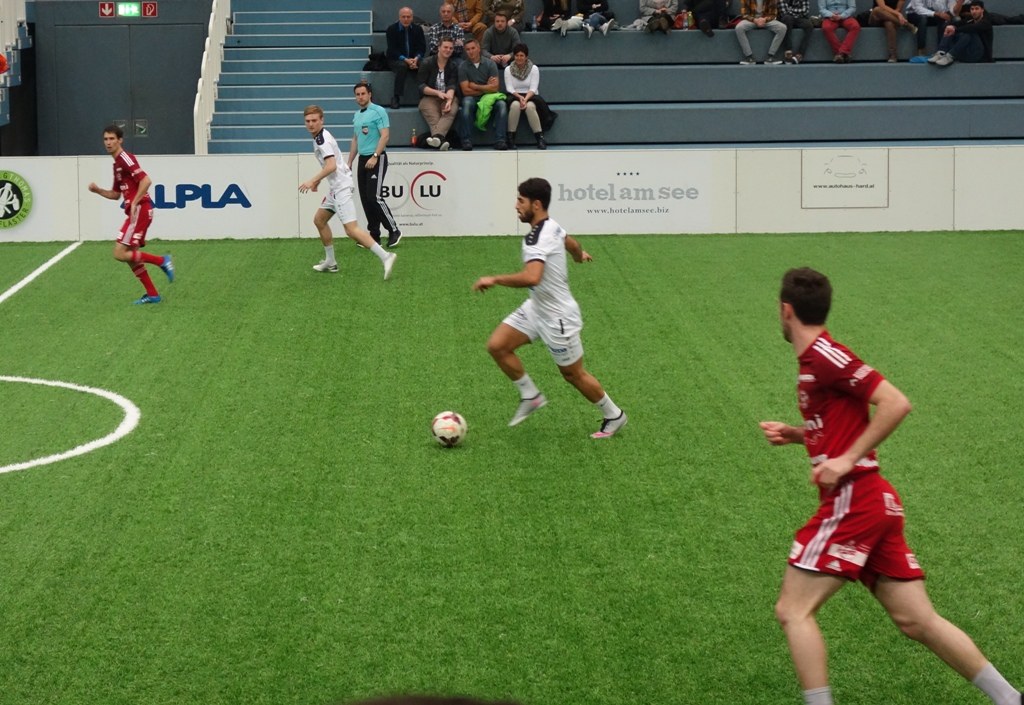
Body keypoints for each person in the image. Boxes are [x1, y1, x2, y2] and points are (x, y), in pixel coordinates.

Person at [761, 267, 1022, 705]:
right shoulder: (815, 362)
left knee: (793, 610)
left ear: (786, 310)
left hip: (855, 500)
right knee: (917, 620)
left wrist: (846, 460)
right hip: (875, 503)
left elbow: (895, 402)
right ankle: (1010, 699)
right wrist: (796, 434)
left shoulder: (826, 356)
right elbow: (837, 426)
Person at [472, 177, 627, 439]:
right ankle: (530, 395)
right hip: (536, 308)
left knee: (573, 374)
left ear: (536, 204)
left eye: (520, 201)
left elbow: (532, 277)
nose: (516, 206)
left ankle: (614, 415)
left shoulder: (536, 239)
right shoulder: (551, 225)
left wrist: (495, 279)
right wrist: (579, 256)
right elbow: (570, 242)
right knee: (497, 346)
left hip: (558, 318)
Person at [298, 105, 397, 279]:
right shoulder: (320, 136)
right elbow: (332, 165)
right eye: (308, 121)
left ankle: (386, 257)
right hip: (336, 187)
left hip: (341, 188)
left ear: (322, 120)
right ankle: (331, 262)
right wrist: (319, 181)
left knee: (352, 230)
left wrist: (312, 180)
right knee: (319, 220)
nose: (311, 124)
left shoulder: (322, 140)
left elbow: (331, 166)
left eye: (314, 120)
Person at [87, 124, 174, 305]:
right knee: (129, 256)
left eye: (112, 139)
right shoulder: (117, 165)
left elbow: (146, 181)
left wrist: (134, 202)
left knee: (119, 253)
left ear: (120, 140)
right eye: (106, 139)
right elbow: (115, 195)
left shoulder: (126, 158)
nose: (108, 142)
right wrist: (97, 190)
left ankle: (162, 261)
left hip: (140, 210)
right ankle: (153, 294)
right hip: (136, 212)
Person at [348, 81, 402, 248]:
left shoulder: (378, 111)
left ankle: (394, 230)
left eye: (363, 93)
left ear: (369, 94)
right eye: (357, 94)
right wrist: (349, 162)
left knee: (374, 197)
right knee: (366, 200)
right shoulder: (357, 115)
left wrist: (375, 156)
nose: (360, 97)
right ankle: (374, 236)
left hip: (377, 158)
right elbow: (355, 139)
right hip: (362, 159)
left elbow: (385, 136)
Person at [456, 38, 509, 150]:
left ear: (479, 48)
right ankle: (466, 140)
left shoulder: (490, 64)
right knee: (466, 103)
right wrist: (487, 87)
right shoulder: (463, 67)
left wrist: (475, 86)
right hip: (472, 98)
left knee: (502, 105)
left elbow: (495, 88)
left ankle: (500, 140)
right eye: (468, 49)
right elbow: (466, 91)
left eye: (473, 48)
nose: (471, 51)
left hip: (489, 97)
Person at [503, 43, 555, 149]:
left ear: (526, 57)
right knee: (515, 106)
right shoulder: (508, 69)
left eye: (521, 55)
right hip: (514, 95)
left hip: (531, 96)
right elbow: (509, 88)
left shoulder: (534, 69)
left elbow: (533, 88)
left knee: (530, 107)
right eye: (517, 55)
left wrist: (525, 99)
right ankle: (511, 138)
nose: (519, 58)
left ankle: (540, 138)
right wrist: (519, 97)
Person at [417, 37, 459, 150]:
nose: (448, 50)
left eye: (451, 48)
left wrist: (449, 100)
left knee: (451, 109)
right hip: (429, 97)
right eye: (445, 47)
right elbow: (421, 86)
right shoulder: (427, 62)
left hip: (446, 96)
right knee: (434, 118)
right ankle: (441, 140)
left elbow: (452, 85)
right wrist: (437, 93)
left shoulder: (453, 65)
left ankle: (437, 139)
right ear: (439, 48)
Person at [385, 7, 427, 109]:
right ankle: (396, 97)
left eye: (408, 17)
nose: (406, 19)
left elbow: (422, 47)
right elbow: (392, 50)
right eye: (403, 17)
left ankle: (425, 95)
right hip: (396, 59)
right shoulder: (391, 29)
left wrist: (416, 58)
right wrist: (405, 59)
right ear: (399, 17)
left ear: (412, 18)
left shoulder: (418, 29)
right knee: (402, 66)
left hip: (414, 58)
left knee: (424, 64)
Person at [928, 0, 993, 65]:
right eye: (972, 9)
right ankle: (941, 52)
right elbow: (958, 24)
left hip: (979, 55)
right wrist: (951, 26)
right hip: (966, 54)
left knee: (968, 33)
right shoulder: (969, 19)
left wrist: (955, 30)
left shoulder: (986, 23)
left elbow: (971, 28)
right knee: (951, 27)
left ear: (982, 10)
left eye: (977, 9)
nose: (974, 11)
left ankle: (950, 56)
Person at [735, 0, 788, 64]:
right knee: (739, 28)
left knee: (782, 28)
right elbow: (744, 14)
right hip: (752, 20)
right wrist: (754, 20)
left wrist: (765, 19)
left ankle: (770, 56)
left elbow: (773, 14)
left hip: (766, 20)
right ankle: (749, 57)